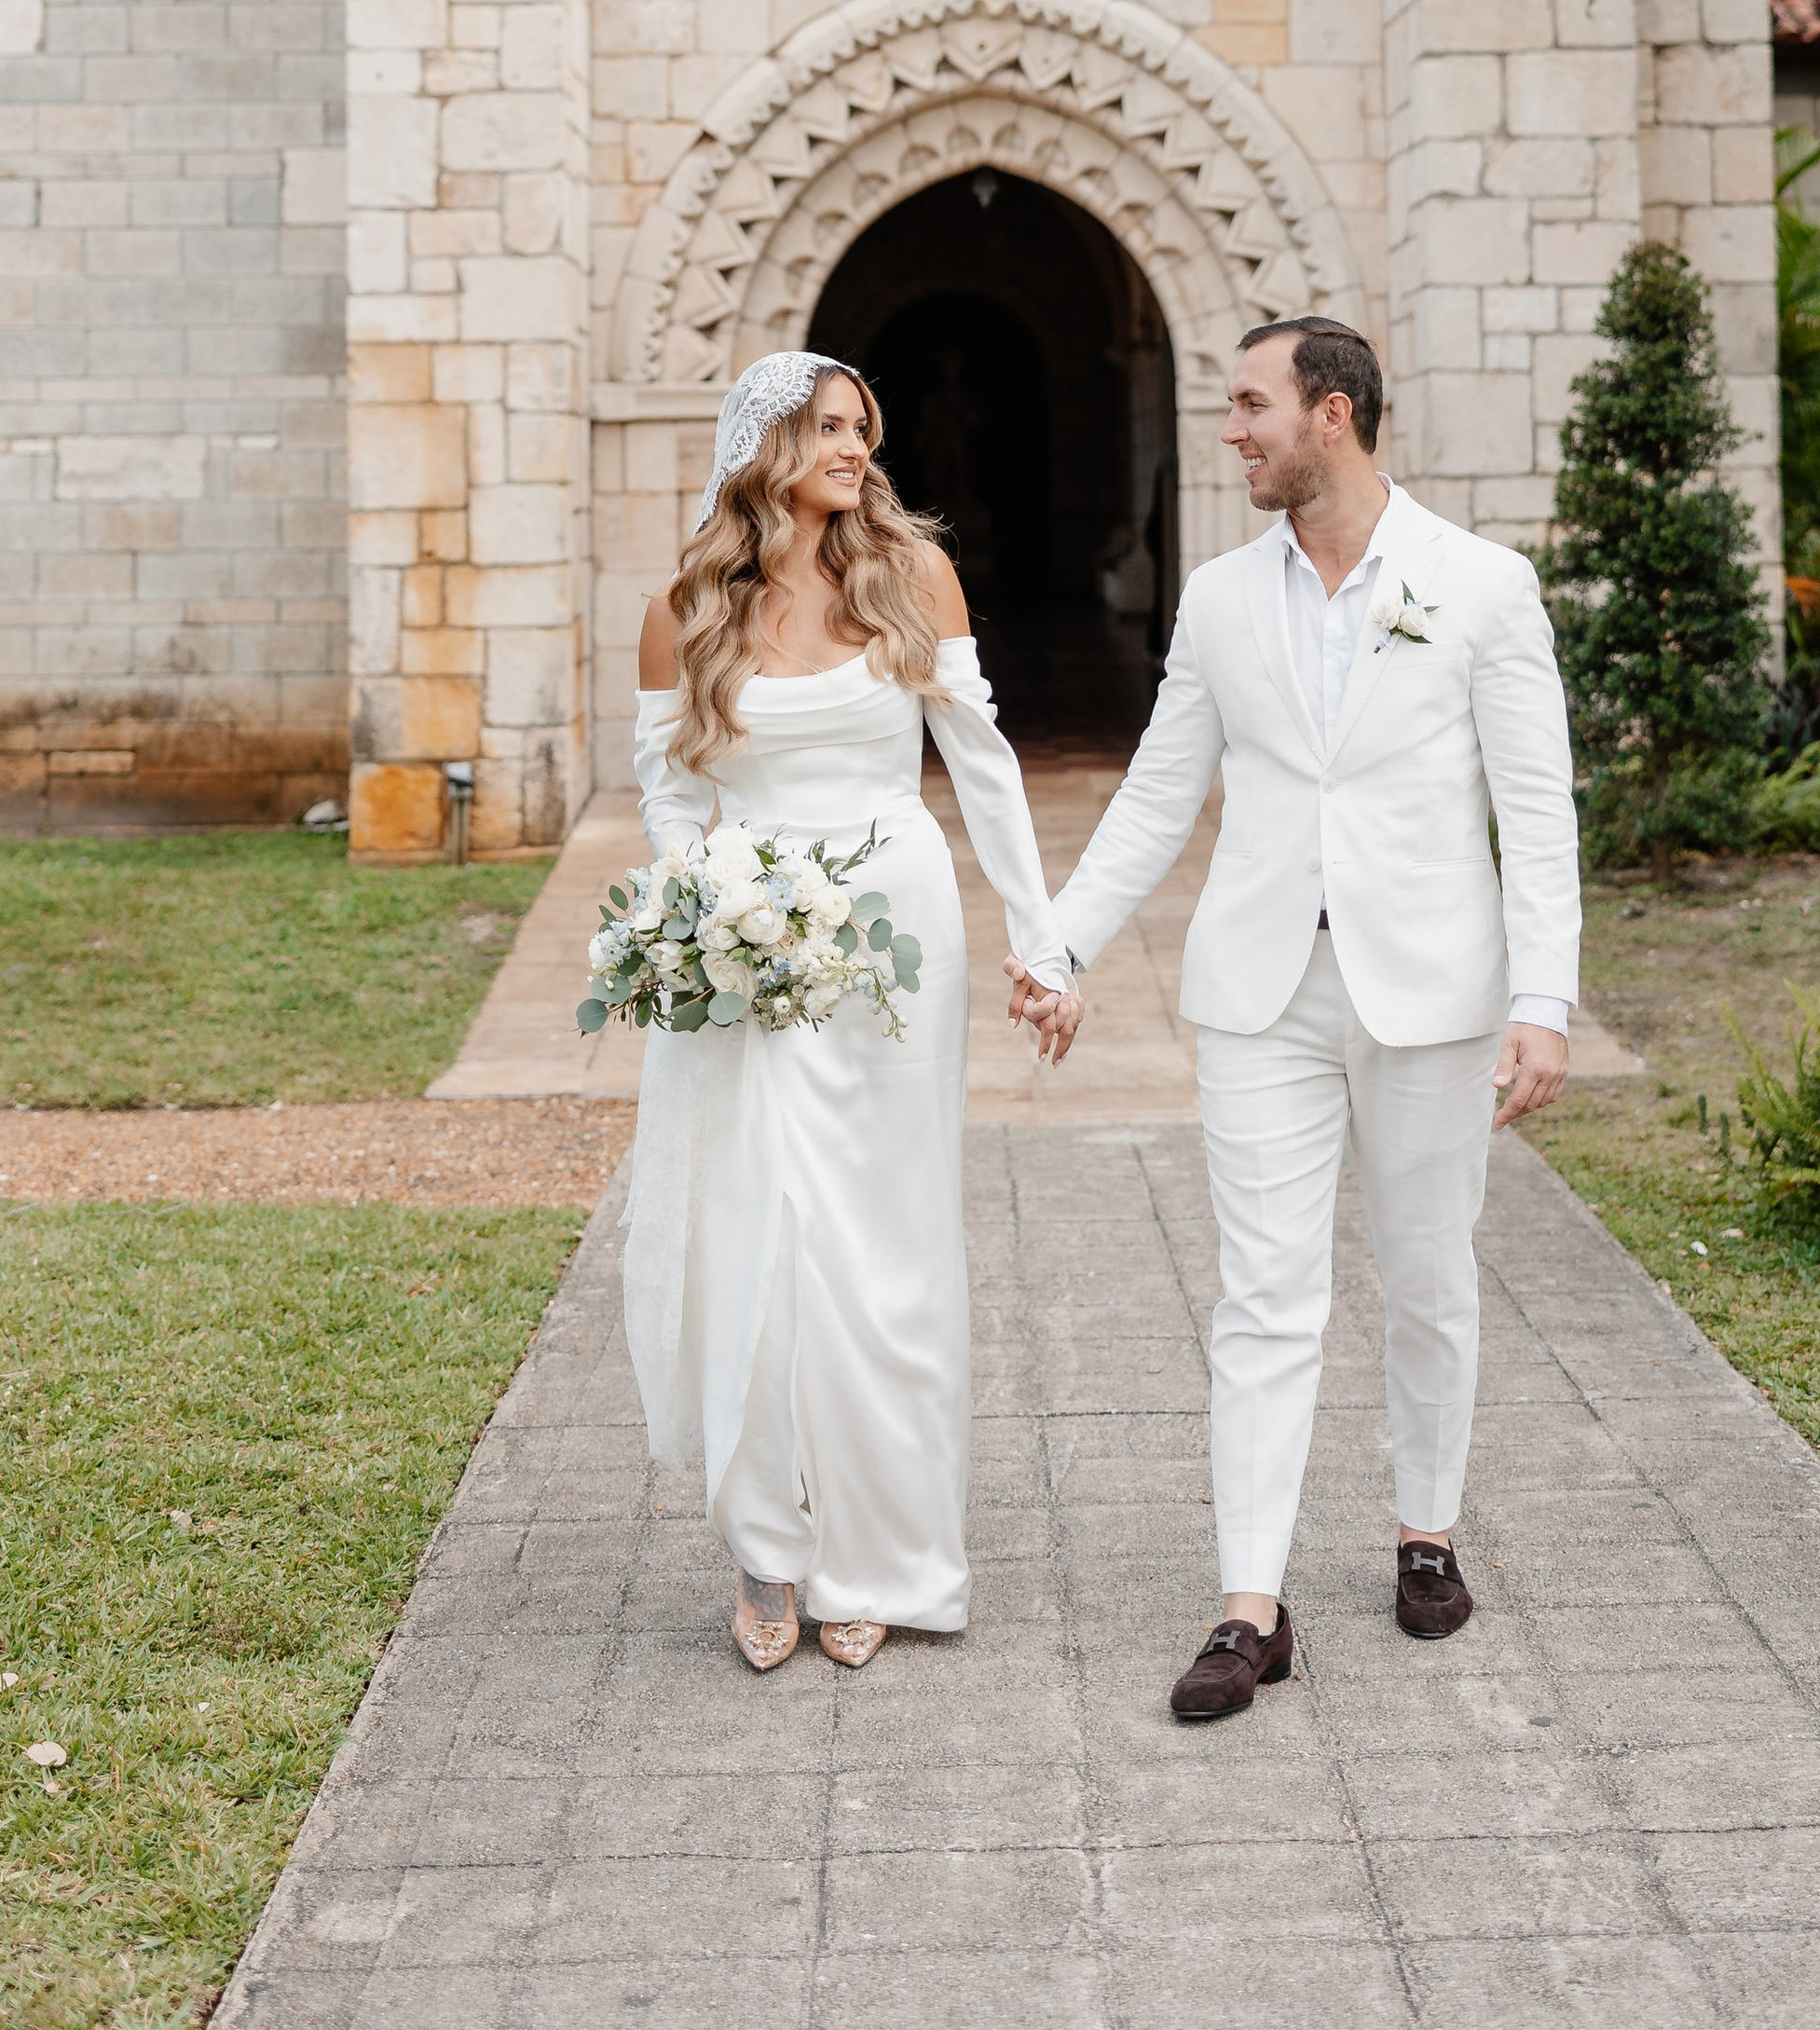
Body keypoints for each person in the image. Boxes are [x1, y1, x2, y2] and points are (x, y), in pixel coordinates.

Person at [1008, 316, 1579, 1721]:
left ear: (1333, 413)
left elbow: (1535, 808)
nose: (1232, 431)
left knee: (1429, 1275)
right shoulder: (1217, 598)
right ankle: (1249, 1606)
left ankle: (1426, 1531)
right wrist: (1061, 944)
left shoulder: (1481, 583)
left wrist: (1543, 998)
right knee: (1263, 1299)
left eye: (1252, 404)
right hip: (1262, 993)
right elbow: (1158, 792)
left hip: (1433, 994)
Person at [628, 349, 1082, 1676]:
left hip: (896, 937)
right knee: (761, 1230)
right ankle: (768, 1546)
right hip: (753, 944)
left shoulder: (912, 576)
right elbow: (670, 794)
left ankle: (881, 1550)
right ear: (763, 442)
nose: (855, 449)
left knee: (885, 1243)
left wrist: (1041, 940)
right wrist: (701, 912)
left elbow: (983, 767)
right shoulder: (685, 607)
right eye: (828, 426)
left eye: (862, 429)